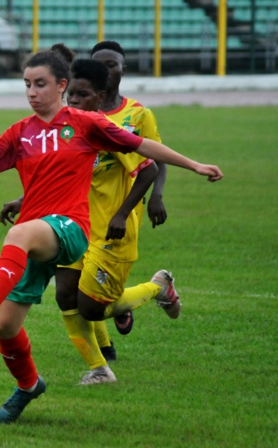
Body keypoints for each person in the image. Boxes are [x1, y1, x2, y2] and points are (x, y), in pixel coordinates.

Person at [0, 47, 223, 423]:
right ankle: (29, 385)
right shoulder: (21, 132)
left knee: (17, 238)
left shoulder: (83, 123)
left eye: (41, 84)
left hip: (70, 229)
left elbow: (142, 146)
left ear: (61, 85)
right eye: (27, 84)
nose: (32, 92)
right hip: (37, 238)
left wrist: (194, 165)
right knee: (7, 327)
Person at [0, 58, 172, 385]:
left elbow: (148, 167)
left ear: (99, 96)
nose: (74, 102)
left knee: (91, 308)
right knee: (65, 295)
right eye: (71, 96)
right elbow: (62, 174)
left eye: (82, 95)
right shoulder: (70, 128)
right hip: (74, 226)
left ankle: (158, 287)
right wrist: (23, 201)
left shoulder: (107, 129)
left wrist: (122, 214)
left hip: (109, 229)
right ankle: (99, 368)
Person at [91, 40, 168, 341]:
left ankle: (156, 288)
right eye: (100, 65)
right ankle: (105, 348)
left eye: (112, 64)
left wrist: (157, 196)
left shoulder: (138, 115)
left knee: (91, 292)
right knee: (77, 289)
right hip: (83, 207)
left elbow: (157, 158)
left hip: (123, 209)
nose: (106, 70)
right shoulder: (82, 111)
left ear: (124, 69)